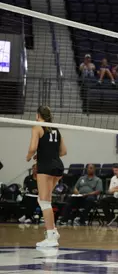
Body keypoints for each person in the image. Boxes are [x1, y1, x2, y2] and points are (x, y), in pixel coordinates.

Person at [26, 106, 66, 247]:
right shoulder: (55, 128)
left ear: (38, 115)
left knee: (44, 202)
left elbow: (32, 147)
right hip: (58, 166)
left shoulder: (37, 127)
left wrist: (29, 156)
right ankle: (53, 231)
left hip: (46, 167)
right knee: (44, 200)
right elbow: (63, 151)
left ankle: (51, 237)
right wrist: (45, 153)